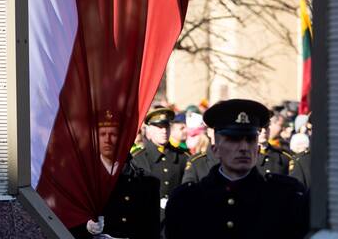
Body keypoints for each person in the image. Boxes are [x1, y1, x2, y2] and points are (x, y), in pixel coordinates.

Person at [164, 99, 309, 239]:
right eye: (234, 139)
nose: (244, 148)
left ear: (257, 149)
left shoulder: (283, 196)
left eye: (250, 139)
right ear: (215, 149)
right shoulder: (188, 201)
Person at [69, 111, 159, 239]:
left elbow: (151, 230)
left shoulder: (146, 181)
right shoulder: (81, 177)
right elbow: (68, 219)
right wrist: (86, 225)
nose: (107, 140)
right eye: (102, 134)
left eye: (113, 134)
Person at [128, 107, 186, 218]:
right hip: (148, 218)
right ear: (149, 130)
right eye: (159, 127)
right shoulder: (138, 159)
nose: (164, 131)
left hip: (176, 218)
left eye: (166, 126)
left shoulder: (183, 157)